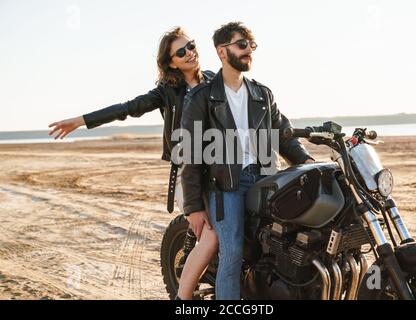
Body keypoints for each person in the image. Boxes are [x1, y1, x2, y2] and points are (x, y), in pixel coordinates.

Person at [48, 27, 218, 300]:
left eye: (192, 46)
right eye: (181, 51)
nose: (190, 53)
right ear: (170, 62)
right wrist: (81, 121)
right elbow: (127, 108)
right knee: (209, 235)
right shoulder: (167, 91)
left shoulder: (213, 80)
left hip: (220, 168)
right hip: (189, 171)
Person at [180, 22, 315, 300]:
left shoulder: (262, 95)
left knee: (282, 242)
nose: (248, 51)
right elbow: (191, 154)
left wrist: (307, 161)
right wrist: (193, 207)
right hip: (225, 184)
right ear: (221, 51)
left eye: (251, 46)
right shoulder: (202, 97)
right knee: (232, 253)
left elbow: (283, 135)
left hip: (265, 176)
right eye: (241, 45)